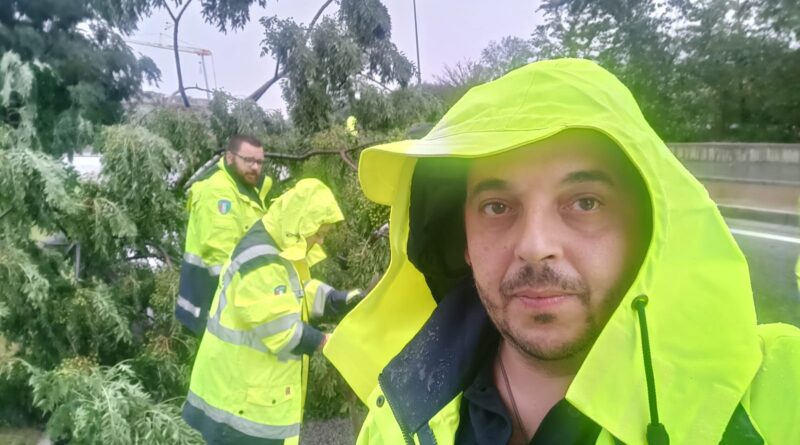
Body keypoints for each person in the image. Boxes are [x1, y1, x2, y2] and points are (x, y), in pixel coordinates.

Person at [324, 59, 800, 444]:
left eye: (585, 202)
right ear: (463, 242)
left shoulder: (772, 393)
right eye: (496, 206)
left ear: (647, 228)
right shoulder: (397, 422)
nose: (535, 247)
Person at [182, 178, 363, 445]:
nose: (321, 240)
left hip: (246, 395)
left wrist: (338, 300)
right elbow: (284, 331)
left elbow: (296, 294)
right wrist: (330, 342)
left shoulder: (278, 245)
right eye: (319, 233)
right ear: (302, 224)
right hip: (238, 406)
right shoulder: (261, 260)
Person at [175, 135, 272, 335]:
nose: (255, 167)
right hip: (212, 306)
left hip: (231, 305)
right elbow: (221, 255)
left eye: (259, 162)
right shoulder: (219, 192)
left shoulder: (246, 189)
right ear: (230, 157)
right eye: (248, 160)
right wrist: (255, 303)